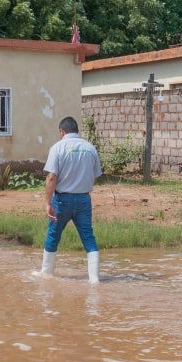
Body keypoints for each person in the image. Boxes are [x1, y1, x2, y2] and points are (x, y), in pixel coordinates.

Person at [39, 116, 103, 283]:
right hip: (84, 200)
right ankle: (94, 279)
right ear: (76, 130)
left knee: (53, 236)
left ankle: (46, 275)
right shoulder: (90, 148)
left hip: (62, 201)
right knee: (89, 238)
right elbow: (94, 175)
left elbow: (51, 178)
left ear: (62, 131)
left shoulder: (57, 148)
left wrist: (47, 203)